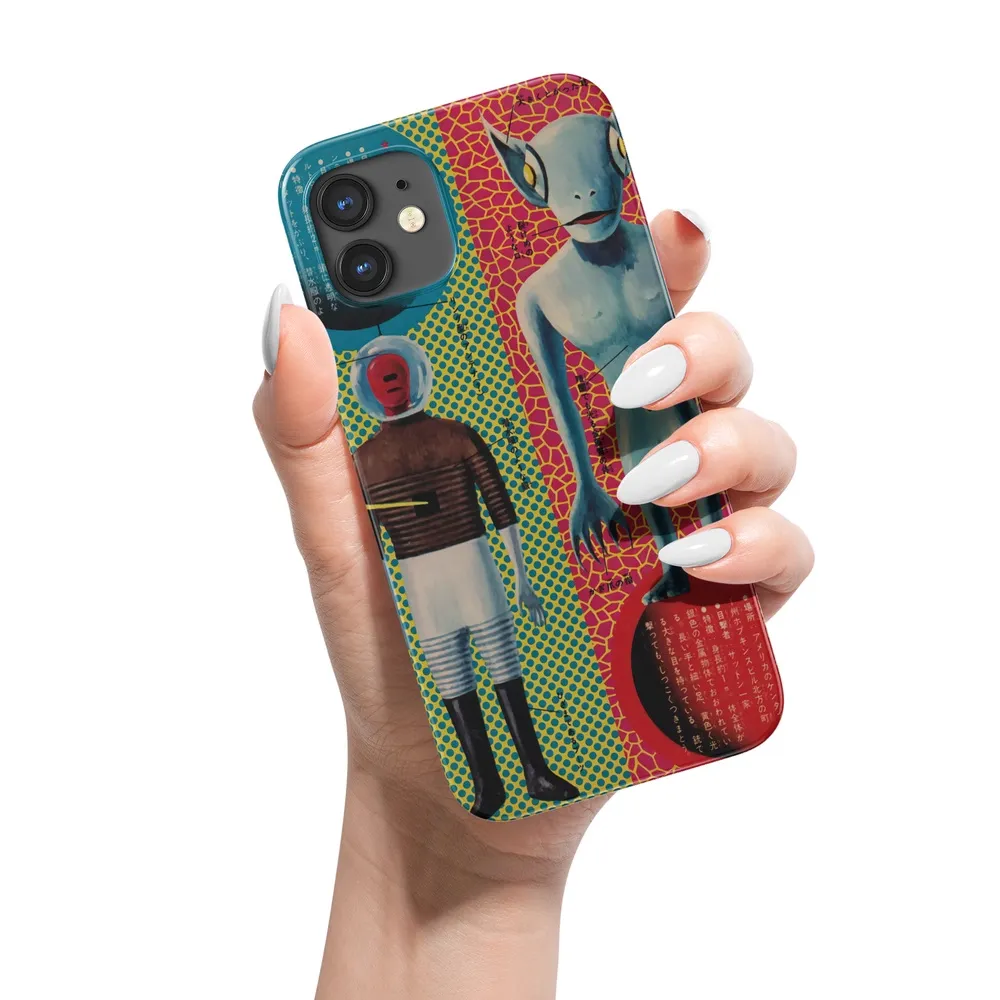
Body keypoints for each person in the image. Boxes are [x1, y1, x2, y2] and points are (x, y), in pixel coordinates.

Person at [254, 210, 814, 998]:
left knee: (499, 662)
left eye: (395, 372)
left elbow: (497, 508)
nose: (387, 382)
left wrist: (518, 575)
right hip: (423, 578)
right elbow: (399, 515)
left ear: (410, 376)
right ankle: (485, 777)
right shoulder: (370, 454)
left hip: (473, 564)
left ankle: (533, 768)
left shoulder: (456, 437)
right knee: (453, 675)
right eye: (378, 377)